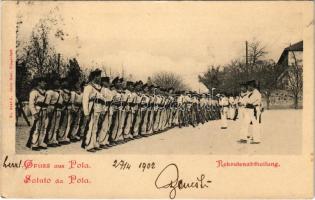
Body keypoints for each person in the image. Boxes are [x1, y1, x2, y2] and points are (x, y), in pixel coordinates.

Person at [81, 69, 103, 152]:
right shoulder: (88, 87)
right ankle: (88, 145)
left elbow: (101, 99)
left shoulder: (98, 87)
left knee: (95, 127)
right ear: (94, 77)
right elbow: (85, 100)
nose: (100, 78)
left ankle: (94, 144)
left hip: (97, 109)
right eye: (98, 76)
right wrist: (86, 113)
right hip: (91, 110)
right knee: (90, 127)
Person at [26, 76, 48, 151]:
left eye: (45, 82)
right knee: (36, 127)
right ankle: (34, 144)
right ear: (39, 83)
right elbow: (31, 104)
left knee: (42, 127)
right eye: (43, 82)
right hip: (37, 111)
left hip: (44, 111)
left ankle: (40, 142)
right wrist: (34, 113)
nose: (45, 83)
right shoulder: (34, 92)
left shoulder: (44, 92)